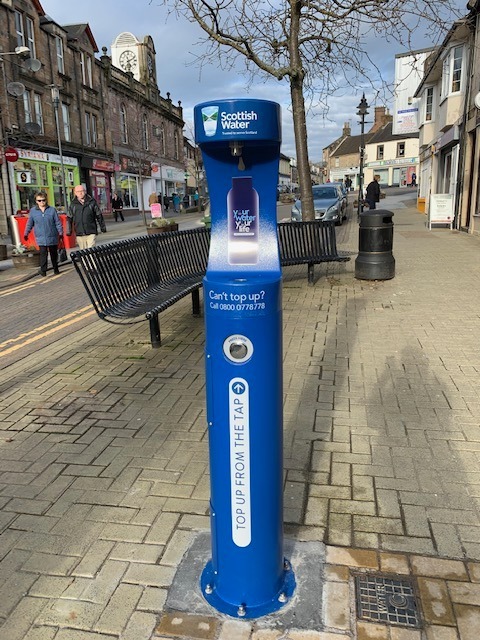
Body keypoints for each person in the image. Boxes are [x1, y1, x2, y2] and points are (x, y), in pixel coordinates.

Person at [24, 190, 63, 277]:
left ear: (46, 200)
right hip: (41, 237)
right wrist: (26, 233)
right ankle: (43, 270)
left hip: (52, 235)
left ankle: (56, 268)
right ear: (36, 201)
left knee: (53, 254)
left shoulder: (52, 210)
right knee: (43, 254)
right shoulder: (33, 211)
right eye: (39, 200)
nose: (41, 202)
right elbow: (30, 223)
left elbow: (57, 222)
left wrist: (60, 233)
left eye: (43, 200)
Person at [67, 185, 106, 249]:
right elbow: (69, 218)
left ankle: (92, 259)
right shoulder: (73, 204)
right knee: (83, 251)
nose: (80, 193)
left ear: (85, 191)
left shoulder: (92, 202)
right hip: (79, 232)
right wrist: (69, 231)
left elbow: (99, 215)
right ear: (75, 193)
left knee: (91, 249)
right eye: (78, 191)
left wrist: (102, 228)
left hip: (91, 231)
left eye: (82, 191)